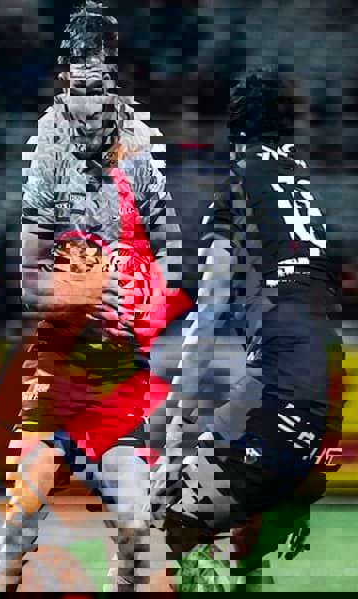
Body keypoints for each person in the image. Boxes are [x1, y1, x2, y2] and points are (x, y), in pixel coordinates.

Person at [0, 1, 192, 591]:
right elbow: (29, 271)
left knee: (134, 522)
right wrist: (68, 296)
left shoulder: (139, 140)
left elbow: (170, 240)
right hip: (61, 368)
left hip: (121, 370)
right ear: (65, 79)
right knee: (22, 518)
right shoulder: (47, 145)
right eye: (79, 85)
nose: (89, 100)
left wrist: (148, 300)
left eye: (99, 83)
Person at [151, 68, 340, 592]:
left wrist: (177, 430)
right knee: (238, 498)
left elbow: (209, 313)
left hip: (279, 384)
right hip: (316, 385)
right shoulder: (308, 196)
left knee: (162, 520)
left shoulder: (237, 191)